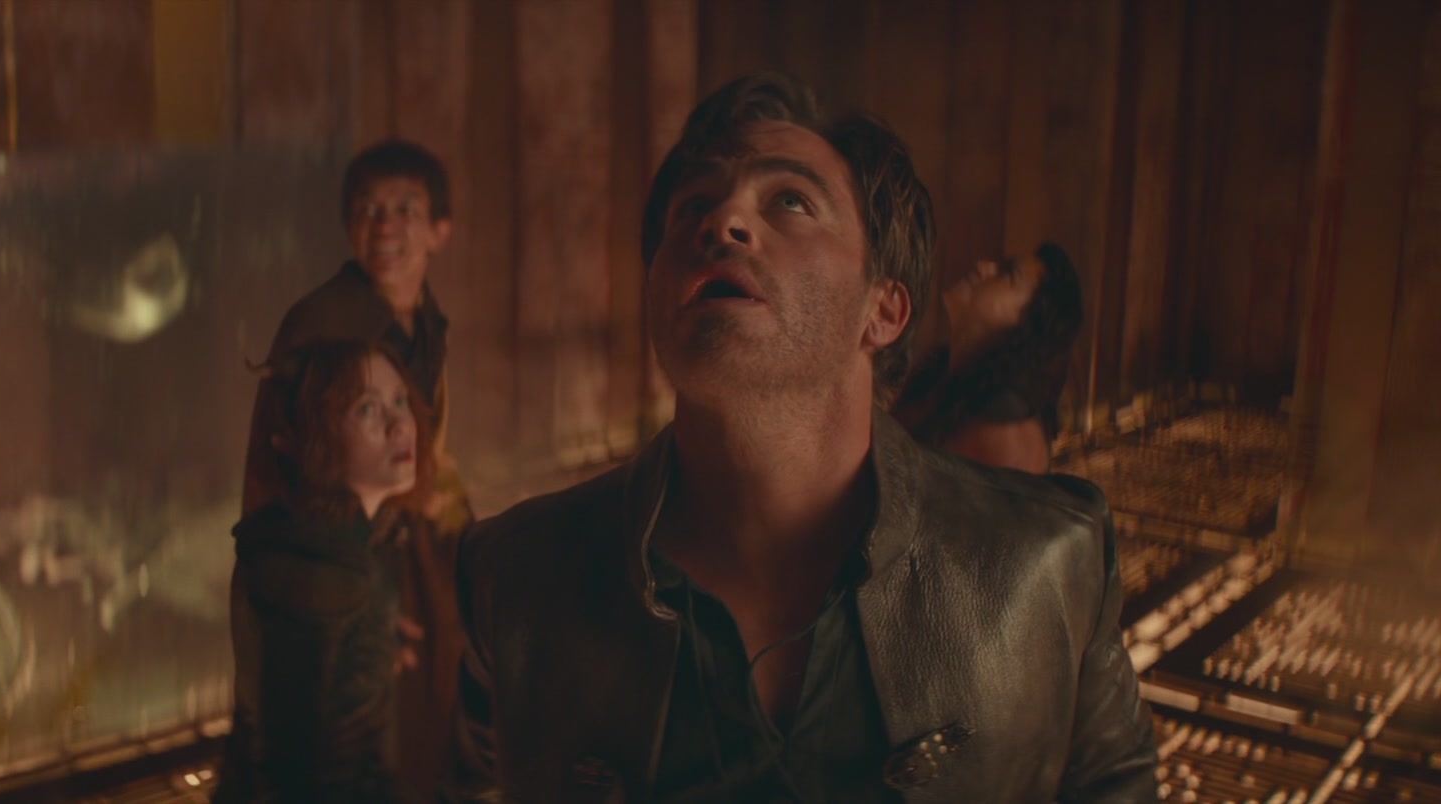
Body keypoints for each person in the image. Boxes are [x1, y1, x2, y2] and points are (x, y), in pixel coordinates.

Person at [444, 72, 1156, 802]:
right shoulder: (519, 578)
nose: (722, 220)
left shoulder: (1049, 564)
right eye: (693, 204)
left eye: (790, 200)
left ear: (883, 310)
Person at [239, 139, 471, 793]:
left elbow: (430, 444)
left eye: (405, 209)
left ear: (440, 229)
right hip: (329, 564)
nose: (385, 226)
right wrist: (335, 593)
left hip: (402, 544)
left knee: (427, 709)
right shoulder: (324, 325)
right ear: (348, 225)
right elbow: (276, 469)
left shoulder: (425, 320)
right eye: (368, 209)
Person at [218, 339, 436, 803]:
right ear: (313, 435)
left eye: (400, 400)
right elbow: (315, 777)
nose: (400, 423)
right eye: (366, 409)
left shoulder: (310, 546)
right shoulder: (323, 570)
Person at [893, 242, 1085, 474]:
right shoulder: (939, 376)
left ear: (1029, 324)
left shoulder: (1007, 433)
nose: (983, 266)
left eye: (1007, 274)